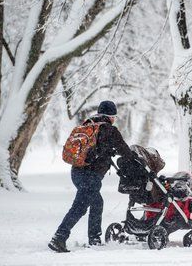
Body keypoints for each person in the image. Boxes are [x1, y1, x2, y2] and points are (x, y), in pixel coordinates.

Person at [48, 100, 135, 253]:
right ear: (110, 116)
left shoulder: (87, 126)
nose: (114, 119)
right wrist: (134, 158)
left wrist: (107, 152)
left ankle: (94, 239)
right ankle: (59, 237)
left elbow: (96, 149)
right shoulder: (109, 130)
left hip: (76, 173)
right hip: (91, 176)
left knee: (97, 203)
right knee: (80, 207)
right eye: (114, 116)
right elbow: (126, 152)